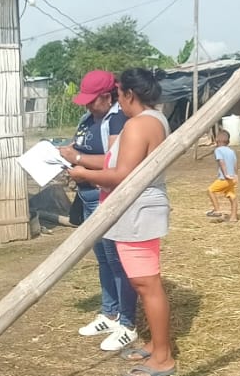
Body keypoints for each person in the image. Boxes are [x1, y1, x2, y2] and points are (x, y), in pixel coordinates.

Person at [70, 68, 176, 376]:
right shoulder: (156, 119)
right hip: (142, 209)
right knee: (145, 282)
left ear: (130, 94)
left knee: (147, 284)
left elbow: (121, 175)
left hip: (137, 211)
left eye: (119, 96)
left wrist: (83, 174)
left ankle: (163, 358)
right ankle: (157, 346)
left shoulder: (137, 125)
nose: (119, 102)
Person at [59, 70, 139, 351]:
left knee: (117, 260)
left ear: (108, 96)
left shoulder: (117, 120)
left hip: (106, 196)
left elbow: (113, 162)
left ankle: (127, 322)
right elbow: (79, 149)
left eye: (93, 101)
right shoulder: (88, 119)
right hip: (87, 196)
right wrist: (67, 156)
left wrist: (78, 158)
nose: (89, 106)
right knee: (103, 259)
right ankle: (109, 313)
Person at [205, 130, 239, 222]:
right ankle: (233, 217)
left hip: (225, 178)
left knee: (210, 190)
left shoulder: (218, 150)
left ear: (217, 140)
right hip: (232, 178)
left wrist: (225, 174)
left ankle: (217, 210)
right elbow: (235, 164)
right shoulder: (231, 151)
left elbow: (221, 162)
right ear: (228, 141)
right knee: (232, 196)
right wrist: (236, 175)